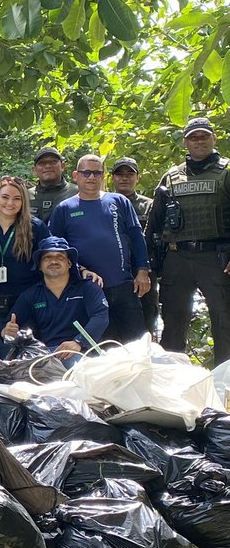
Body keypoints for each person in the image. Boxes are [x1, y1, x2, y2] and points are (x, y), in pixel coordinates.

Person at [148, 116, 230, 363]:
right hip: (177, 257)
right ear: (185, 142)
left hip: (216, 258)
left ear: (214, 139)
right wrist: (148, 263)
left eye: (204, 136)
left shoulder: (226, 172)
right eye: (194, 137)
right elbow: (155, 222)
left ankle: (224, 385)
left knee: (224, 320)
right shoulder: (171, 176)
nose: (199, 141)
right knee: (172, 321)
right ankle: (172, 383)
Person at [49, 154, 150, 343]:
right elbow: (57, 250)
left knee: (137, 343)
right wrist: (79, 270)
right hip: (88, 288)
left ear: (103, 177)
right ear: (75, 175)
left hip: (124, 286)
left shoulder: (119, 201)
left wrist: (143, 271)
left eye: (97, 173)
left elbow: (137, 238)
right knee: (100, 346)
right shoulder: (64, 208)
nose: (91, 178)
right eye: (86, 173)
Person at [2, 236, 109, 365]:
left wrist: (78, 342)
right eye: (47, 258)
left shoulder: (88, 287)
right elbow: (9, 328)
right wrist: (7, 332)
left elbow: (101, 317)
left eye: (60, 257)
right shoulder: (31, 294)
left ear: (69, 263)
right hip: (46, 354)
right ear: (39, 265)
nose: (54, 261)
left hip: (82, 351)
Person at [0, 176, 49, 358]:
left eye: (17, 198)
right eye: (4, 197)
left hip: (26, 301)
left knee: (26, 353)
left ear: (23, 202)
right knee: (4, 353)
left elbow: (52, 256)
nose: (10, 203)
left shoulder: (35, 227)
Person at [110, 156, 159, 336]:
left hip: (143, 272)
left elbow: (159, 237)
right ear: (112, 178)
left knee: (146, 324)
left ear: (137, 177)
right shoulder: (102, 203)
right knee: (112, 327)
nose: (124, 178)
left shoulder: (150, 205)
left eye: (130, 174)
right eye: (119, 174)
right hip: (113, 274)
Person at [27, 146, 77, 222]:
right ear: (34, 170)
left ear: (63, 166)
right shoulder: (25, 196)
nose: (48, 166)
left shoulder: (76, 193)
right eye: (42, 163)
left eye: (53, 162)